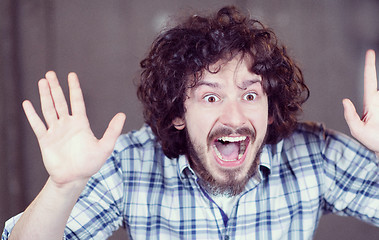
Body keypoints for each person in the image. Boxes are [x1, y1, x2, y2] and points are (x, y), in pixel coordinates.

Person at [2, 5, 378, 240]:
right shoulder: (128, 163)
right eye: (210, 97)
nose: (234, 118)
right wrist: (64, 186)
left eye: (250, 95)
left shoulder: (314, 155)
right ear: (179, 112)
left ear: (269, 105)